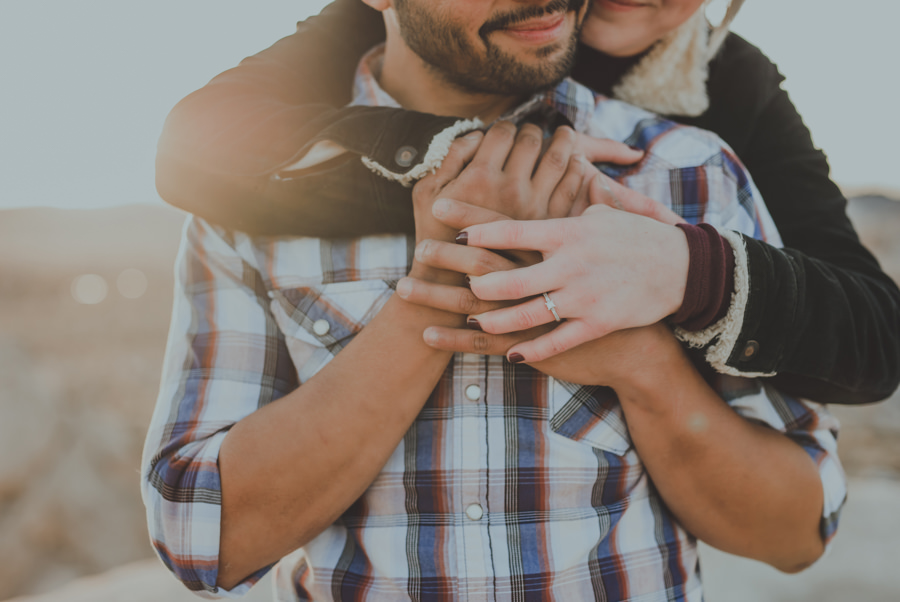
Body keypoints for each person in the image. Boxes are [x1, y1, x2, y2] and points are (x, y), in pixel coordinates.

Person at [142, 0, 845, 600]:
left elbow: (796, 532)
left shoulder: (689, 174)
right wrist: (444, 287)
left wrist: (644, 365)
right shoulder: (253, 193)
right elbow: (202, 538)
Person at [155, 0, 900, 404]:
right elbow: (193, 148)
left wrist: (687, 269)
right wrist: (470, 158)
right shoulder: (407, 22)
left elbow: (873, 338)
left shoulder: (725, 85)